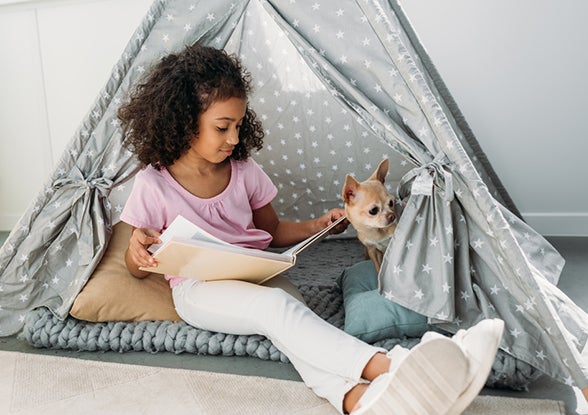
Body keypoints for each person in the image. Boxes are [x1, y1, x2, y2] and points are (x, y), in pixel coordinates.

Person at [117, 44, 504, 415]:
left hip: (258, 275)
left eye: (238, 125)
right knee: (277, 309)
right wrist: (138, 250)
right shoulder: (154, 184)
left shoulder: (244, 171)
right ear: (185, 122)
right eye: (222, 127)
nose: (234, 138)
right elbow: (135, 266)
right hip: (197, 289)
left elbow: (273, 232)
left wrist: (317, 226)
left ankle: (360, 401)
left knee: (297, 324)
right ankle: (400, 368)